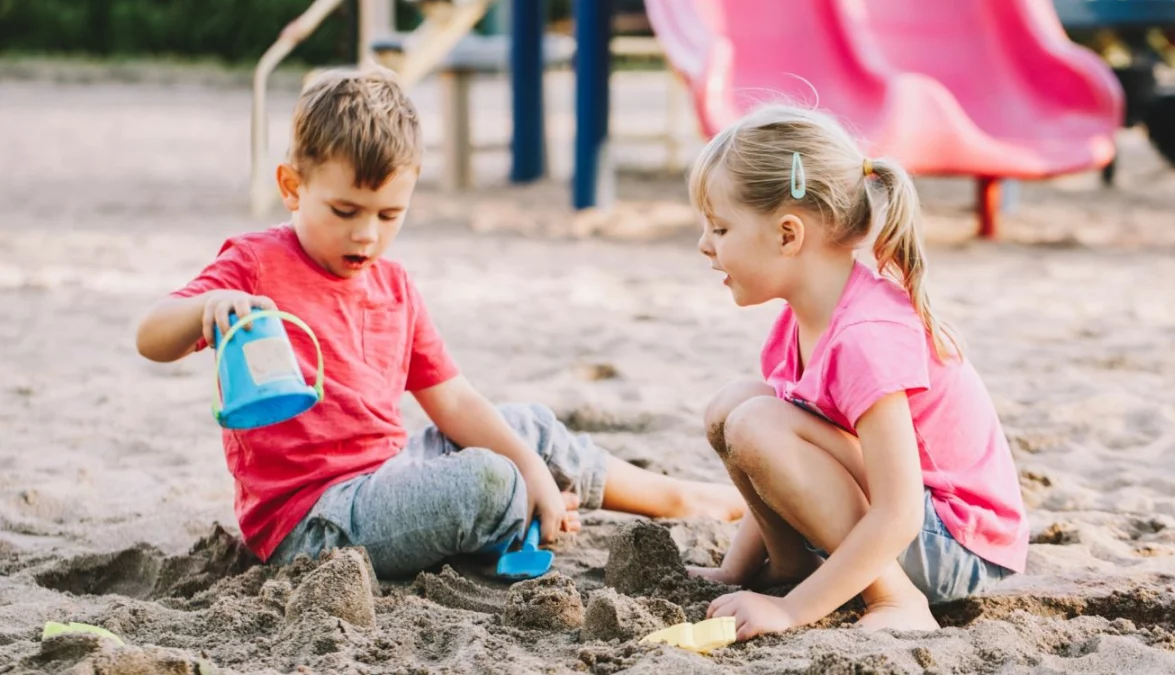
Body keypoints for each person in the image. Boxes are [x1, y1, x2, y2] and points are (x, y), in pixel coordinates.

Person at [134, 65, 744, 578]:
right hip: (314, 518)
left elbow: (452, 400)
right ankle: (523, 511)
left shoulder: (394, 286)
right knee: (487, 481)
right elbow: (152, 336)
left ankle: (675, 498)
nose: (366, 234)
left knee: (523, 428)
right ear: (292, 187)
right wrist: (205, 310)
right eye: (344, 211)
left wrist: (532, 465)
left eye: (388, 214)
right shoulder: (255, 264)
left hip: (391, 472)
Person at [685, 104, 1028, 638]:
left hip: (956, 544)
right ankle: (789, 563)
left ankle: (896, 597)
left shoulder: (867, 335)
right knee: (735, 407)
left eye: (720, 227)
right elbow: (787, 458)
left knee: (757, 420)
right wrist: (737, 570)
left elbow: (899, 511)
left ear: (788, 235)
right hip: (903, 524)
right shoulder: (797, 325)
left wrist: (792, 610)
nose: (705, 245)